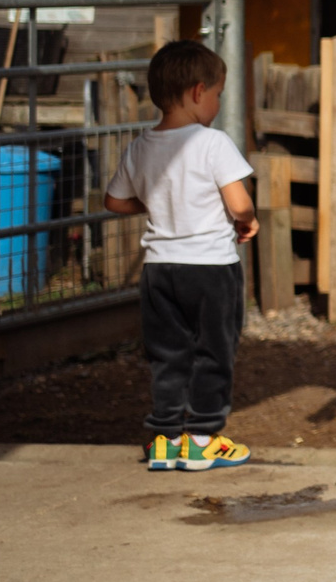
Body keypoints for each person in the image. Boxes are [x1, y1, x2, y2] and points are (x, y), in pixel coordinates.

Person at [104, 39, 260, 473]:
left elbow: (114, 202)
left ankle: (165, 439)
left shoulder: (140, 146)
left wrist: (154, 204)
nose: (216, 103)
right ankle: (203, 439)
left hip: (159, 270)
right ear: (197, 92)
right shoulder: (212, 143)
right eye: (217, 94)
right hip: (210, 267)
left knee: (167, 354)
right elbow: (241, 204)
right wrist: (246, 221)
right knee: (214, 350)